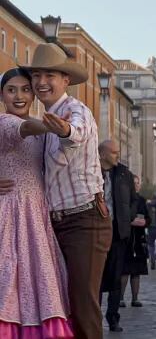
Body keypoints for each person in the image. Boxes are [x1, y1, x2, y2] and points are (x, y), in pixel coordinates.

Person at [23, 43, 113, 339]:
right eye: (36, 75)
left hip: (84, 221)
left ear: (65, 80)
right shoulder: (42, 119)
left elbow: (77, 133)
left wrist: (63, 131)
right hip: (54, 223)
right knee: (60, 304)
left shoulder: (76, 110)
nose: (41, 82)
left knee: (83, 306)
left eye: (49, 74)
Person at [0, 68, 73, 338]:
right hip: (10, 212)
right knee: (9, 275)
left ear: (33, 93)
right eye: (11, 90)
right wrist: (51, 124)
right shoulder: (5, 122)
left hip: (37, 214)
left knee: (38, 278)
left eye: (25, 89)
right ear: (2, 95)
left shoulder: (42, 130)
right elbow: (25, 128)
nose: (19, 96)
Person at [98, 139, 139, 332]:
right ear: (103, 154)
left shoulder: (124, 174)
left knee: (115, 278)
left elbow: (133, 200)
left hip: (117, 233)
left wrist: (127, 218)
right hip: (95, 232)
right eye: (114, 152)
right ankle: (93, 317)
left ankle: (113, 317)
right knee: (95, 278)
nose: (117, 156)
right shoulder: (91, 171)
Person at [120, 174, 151, 308]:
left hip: (139, 240)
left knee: (137, 272)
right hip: (126, 239)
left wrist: (144, 222)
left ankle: (135, 298)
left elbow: (149, 219)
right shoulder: (123, 200)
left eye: (138, 183)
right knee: (124, 271)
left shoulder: (142, 200)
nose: (137, 185)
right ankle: (120, 298)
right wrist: (131, 222)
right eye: (134, 183)